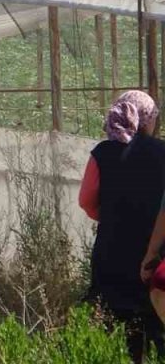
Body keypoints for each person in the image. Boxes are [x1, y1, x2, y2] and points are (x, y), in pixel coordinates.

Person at [75, 89, 165, 363]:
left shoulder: (102, 153)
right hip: (154, 251)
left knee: (114, 324)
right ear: (148, 119)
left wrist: (113, 216)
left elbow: (86, 200)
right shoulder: (162, 152)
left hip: (112, 249)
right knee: (154, 325)